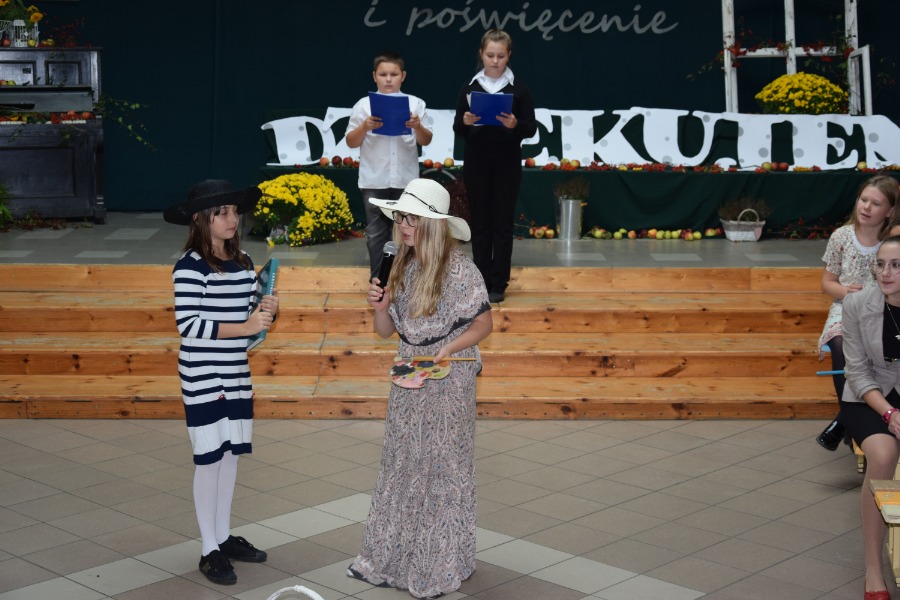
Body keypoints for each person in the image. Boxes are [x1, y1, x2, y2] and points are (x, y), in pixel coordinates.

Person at [348, 178, 492, 600]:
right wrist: (379, 307)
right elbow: (385, 331)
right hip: (410, 370)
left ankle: (438, 562)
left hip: (450, 374)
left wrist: (449, 347)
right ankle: (392, 557)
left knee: (441, 466)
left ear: (432, 224)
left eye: (412, 219)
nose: (403, 226)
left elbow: (484, 324)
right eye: (400, 218)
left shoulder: (461, 270)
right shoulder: (401, 265)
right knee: (404, 461)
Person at [164, 179, 279, 585]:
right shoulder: (190, 266)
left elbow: (248, 317)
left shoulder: (244, 261)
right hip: (202, 373)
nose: (233, 219)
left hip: (235, 370)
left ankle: (224, 536)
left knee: (230, 455)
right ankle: (208, 549)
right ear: (201, 218)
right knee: (209, 458)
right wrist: (246, 325)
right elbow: (189, 325)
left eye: (235, 211)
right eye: (222, 213)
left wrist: (267, 309)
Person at [453, 28, 537, 303]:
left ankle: (498, 283)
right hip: (476, 162)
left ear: (509, 55)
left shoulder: (519, 88)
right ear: (481, 54)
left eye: (500, 56)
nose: (495, 61)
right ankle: (480, 280)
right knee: (480, 224)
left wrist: (515, 124)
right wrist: (465, 122)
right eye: (490, 55)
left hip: (506, 164)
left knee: (502, 224)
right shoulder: (470, 87)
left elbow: (531, 128)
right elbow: (458, 128)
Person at [816, 175, 898, 451]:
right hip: (846, 307)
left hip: (885, 307)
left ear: (890, 210)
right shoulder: (841, 236)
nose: (866, 207)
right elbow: (827, 283)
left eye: (876, 203)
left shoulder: (893, 238)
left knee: (880, 348)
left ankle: (844, 421)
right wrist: (847, 293)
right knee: (840, 343)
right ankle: (850, 418)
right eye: (863, 200)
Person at [841, 235, 900, 600]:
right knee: (882, 455)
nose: (885, 272)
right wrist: (890, 413)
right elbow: (858, 373)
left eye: (896, 265)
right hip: (870, 399)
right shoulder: (856, 304)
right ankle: (873, 568)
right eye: (880, 264)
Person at [345, 50, 433, 281]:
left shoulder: (416, 104)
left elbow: (426, 140)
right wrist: (364, 126)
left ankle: (407, 282)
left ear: (403, 76)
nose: (388, 79)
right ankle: (379, 282)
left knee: (409, 232)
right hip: (374, 180)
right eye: (383, 74)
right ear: (374, 76)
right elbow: (351, 141)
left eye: (393, 74)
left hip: (406, 181)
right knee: (376, 234)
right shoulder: (363, 105)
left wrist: (417, 126)